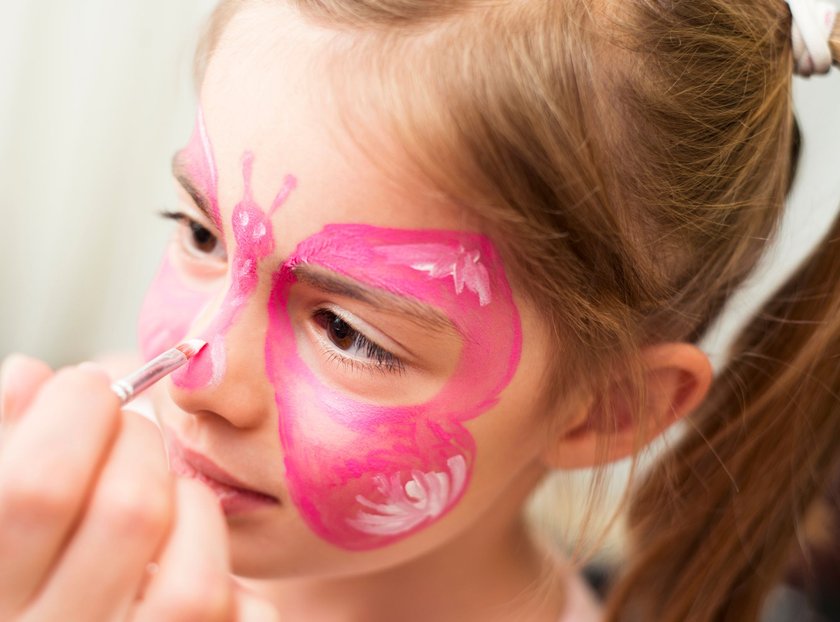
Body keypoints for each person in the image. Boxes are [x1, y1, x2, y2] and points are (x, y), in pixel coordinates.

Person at [0, 0, 838, 620]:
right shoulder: (82, 479)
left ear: (605, 411)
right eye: (202, 234)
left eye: (348, 332)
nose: (194, 375)